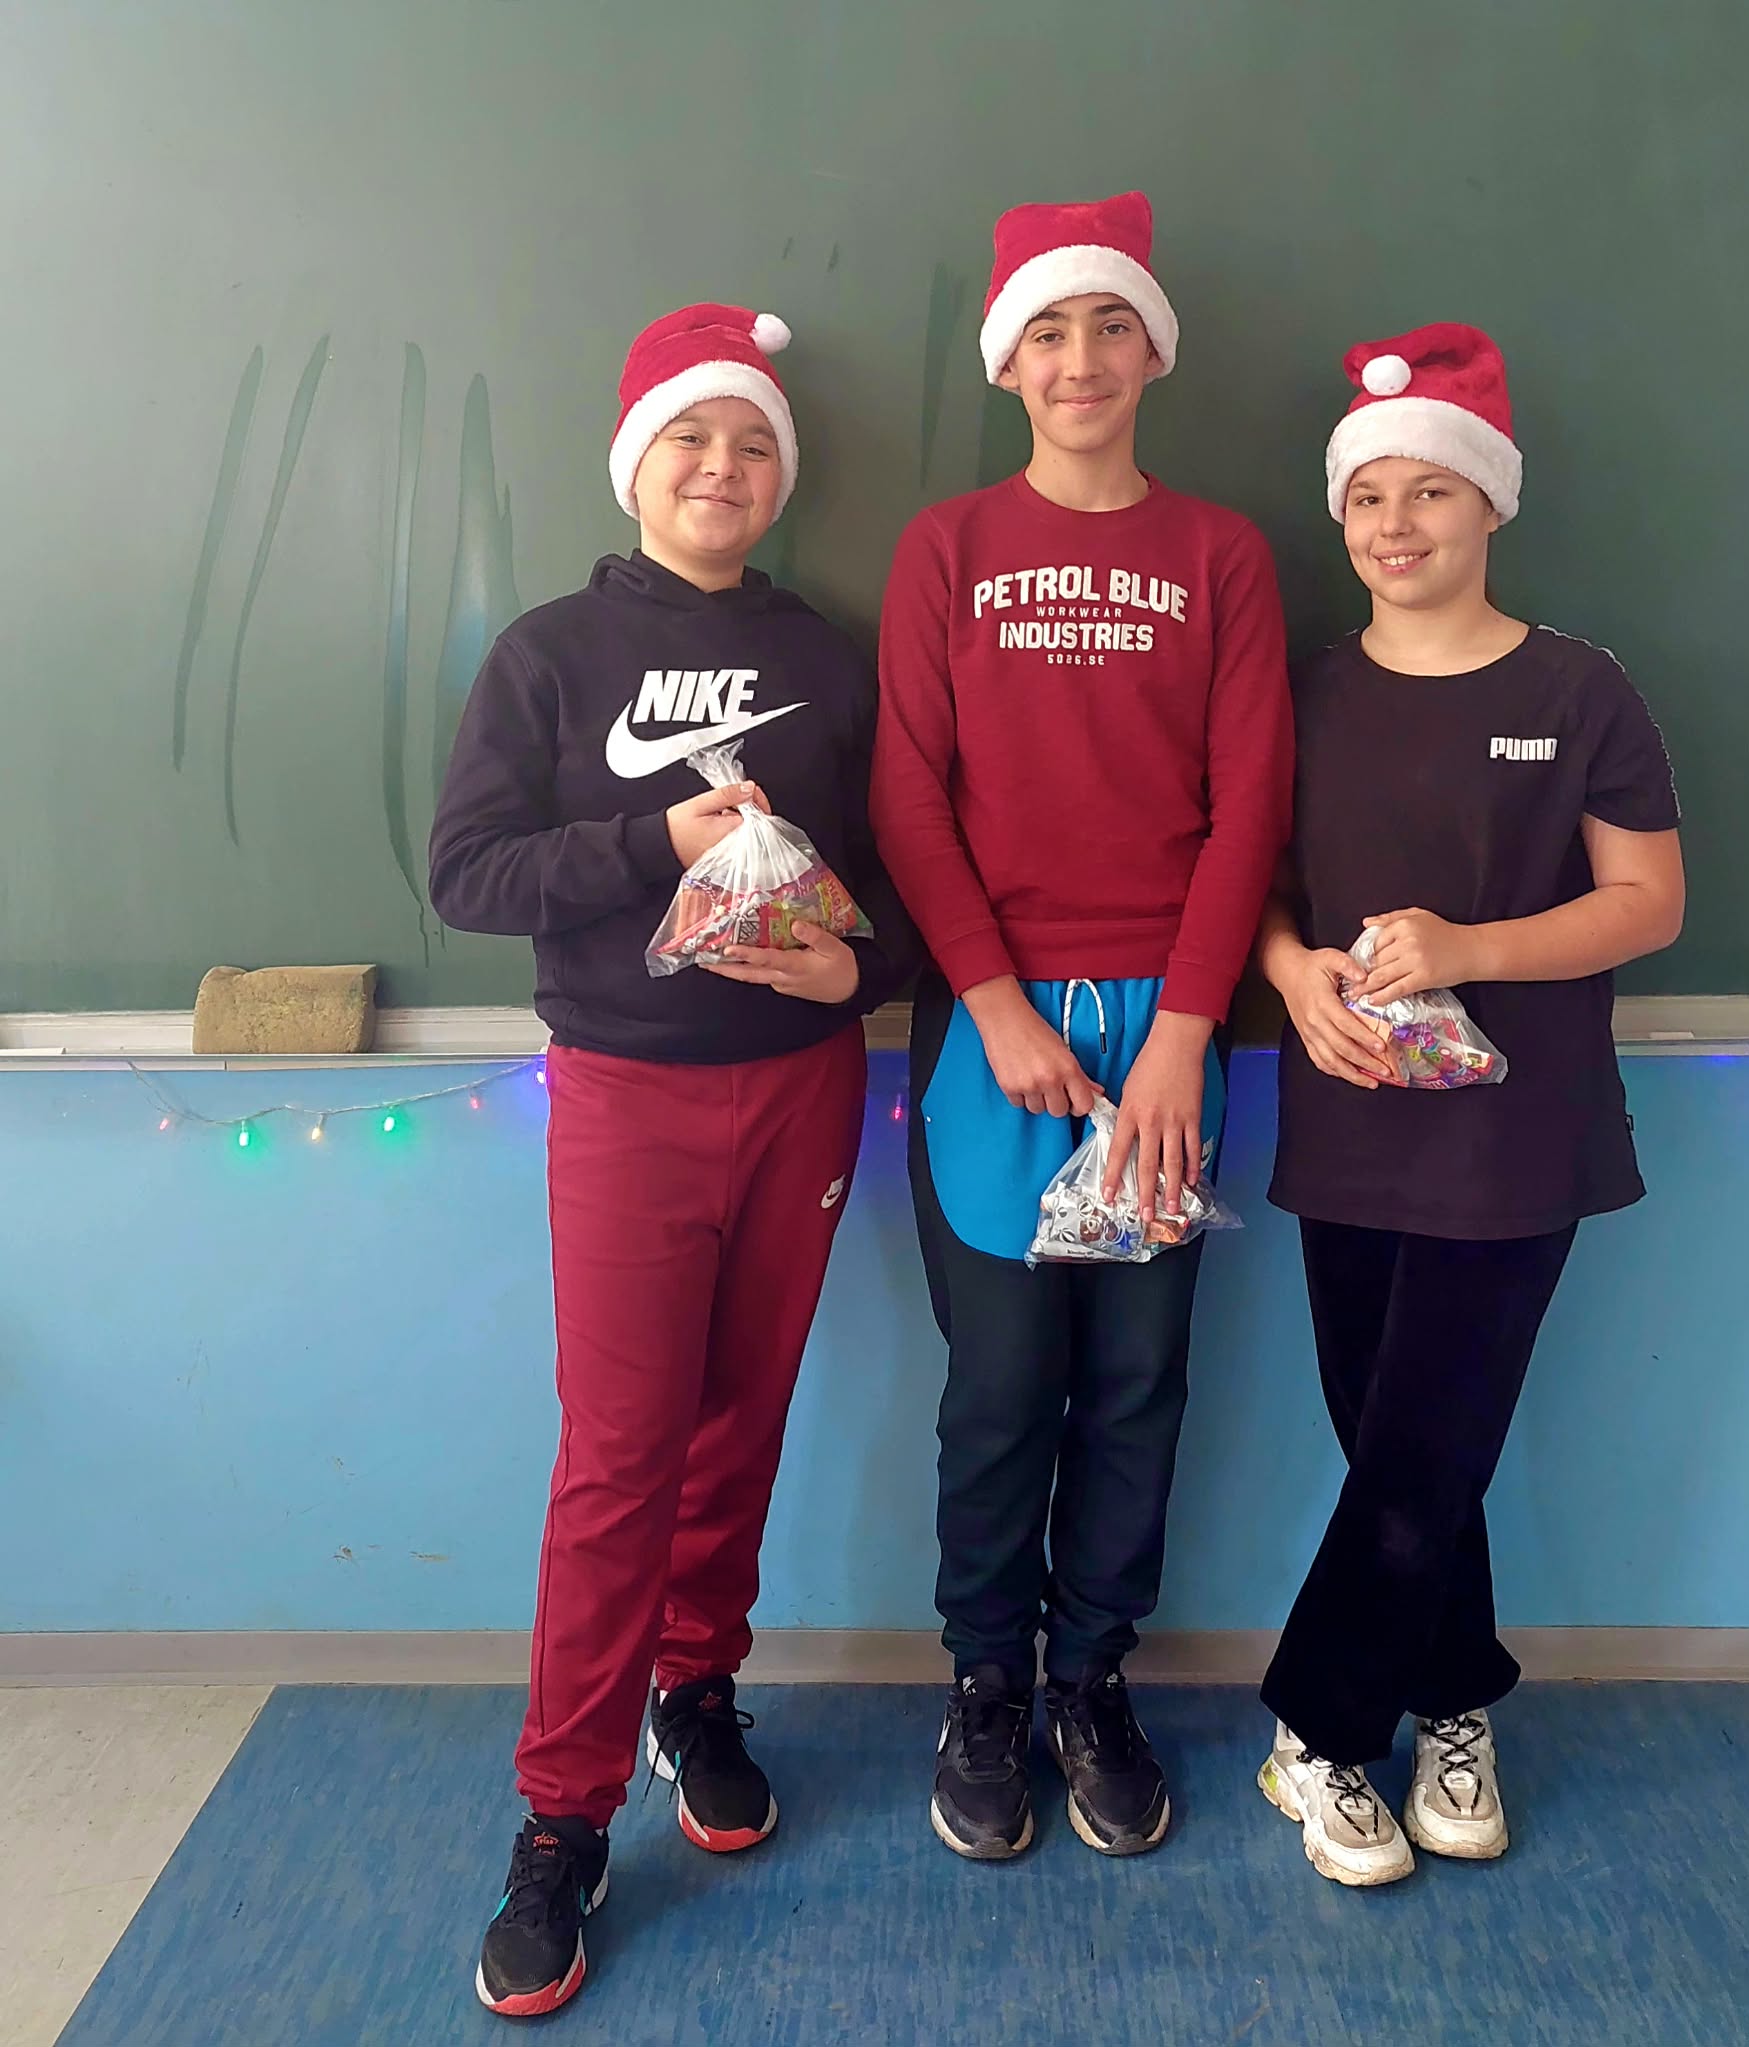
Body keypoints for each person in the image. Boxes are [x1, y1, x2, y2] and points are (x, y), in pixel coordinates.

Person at [429, 302, 915, 2015]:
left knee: (742, 1421)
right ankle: (560, 1817)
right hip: (625, 1097)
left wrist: (859, 973)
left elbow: (907, 881)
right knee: (622, 1453)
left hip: (806, 1092)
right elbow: (466, 876)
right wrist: (655, 840)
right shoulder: (549, 653)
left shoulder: (833, 657)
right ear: (638, 462)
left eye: (755, 443)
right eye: (693, 439)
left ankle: (695, 1689)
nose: (724, 467)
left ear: (785, 476)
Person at [872, 192, 1294, 1860]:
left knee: (1137, 1380)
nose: (1080, 360)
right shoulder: (947, 549)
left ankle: (1090, 1680)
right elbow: (908, 798)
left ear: (1153, 351)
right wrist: (991, 1006)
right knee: (1002, 1385)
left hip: (1167, 1032)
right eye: (1047, 331)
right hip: (992, 1035)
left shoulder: (1222, 555)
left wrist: (1188, 1031)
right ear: (1007, 363)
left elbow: (1250, 805)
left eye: (1110, 325)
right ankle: (986, 1684)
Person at [1254, 323, 1685, 1886]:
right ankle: (1454, 1697)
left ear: (1489, 502)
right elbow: (1255, 892)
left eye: (1430, 492)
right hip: (1350, 1123)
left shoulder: (1581, 687)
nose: (1397, 524)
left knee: (1425, 1446)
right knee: (1403, 1447)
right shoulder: (1300, 694)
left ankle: (1315, 1728)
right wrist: (1292, 977)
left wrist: (1468, 948)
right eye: (1368, 497)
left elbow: (1648, 902)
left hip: (1518, 1136)